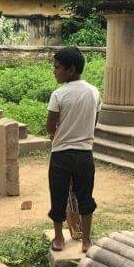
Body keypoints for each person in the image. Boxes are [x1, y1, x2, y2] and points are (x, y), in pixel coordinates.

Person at [46, 47, 100, 254]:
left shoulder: (58, 94)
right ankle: (86, 240)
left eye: (57, 67)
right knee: (86, 196)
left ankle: (59, 238)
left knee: (58, 196)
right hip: (85, 153)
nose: (54, 71)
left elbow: (50, 126)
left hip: (60, 154)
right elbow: (94, 121)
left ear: (71, 70)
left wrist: (58, 134)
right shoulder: (93, 91)